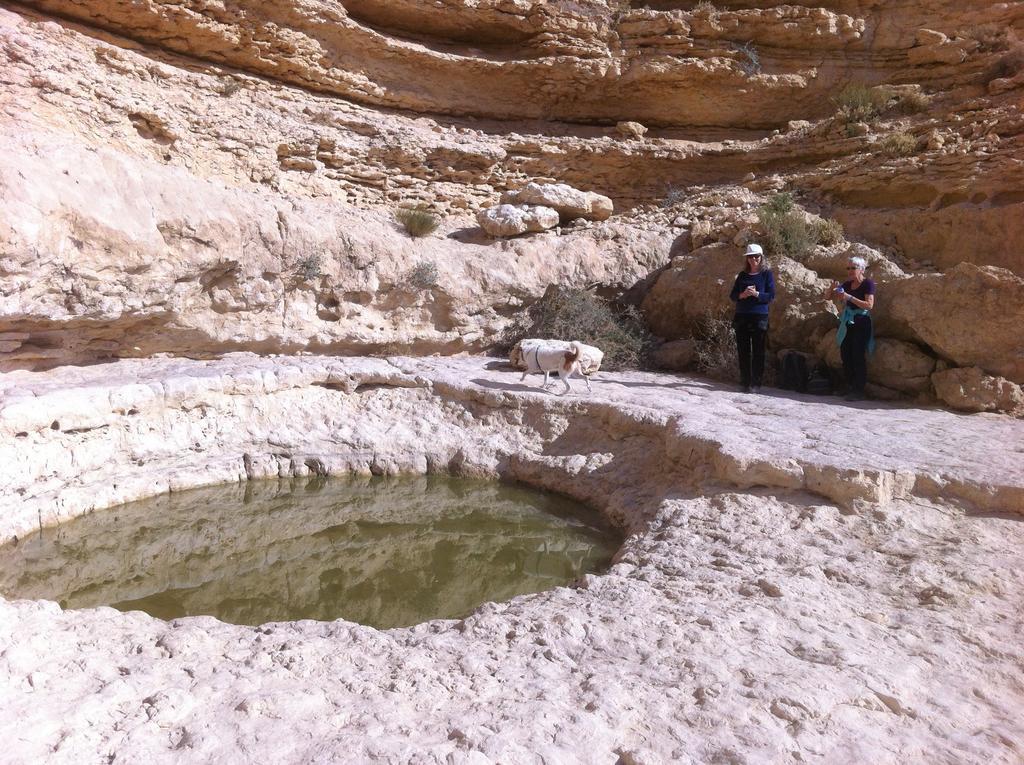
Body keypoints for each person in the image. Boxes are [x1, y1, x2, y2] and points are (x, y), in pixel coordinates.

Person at [729, 243, 775, 394]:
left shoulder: (766, 274)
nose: (753, 259)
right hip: (742, 316)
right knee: (743, 350)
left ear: (761, 258)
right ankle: (744, 381)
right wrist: (743, 294)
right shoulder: (742, 275)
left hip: (759, 316)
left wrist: (756, 294)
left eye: (756, 256)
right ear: (747, 258)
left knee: (758, 351)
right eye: (750, 256)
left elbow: (771, 296)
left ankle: (756, 383)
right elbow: (733, 295)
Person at [829, 255, 875, 401]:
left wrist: (849, 298)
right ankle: (849, 386)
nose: (849, 271)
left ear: (861, 270)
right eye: (848, 268)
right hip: (848, 322)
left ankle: (858, 390)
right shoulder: (847, 284)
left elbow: (869, 305)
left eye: (853, 268)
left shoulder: (868, 284)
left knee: (857, 355)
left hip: (861, 322)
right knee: (845, 354)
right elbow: (829, 297)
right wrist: (831, 290)